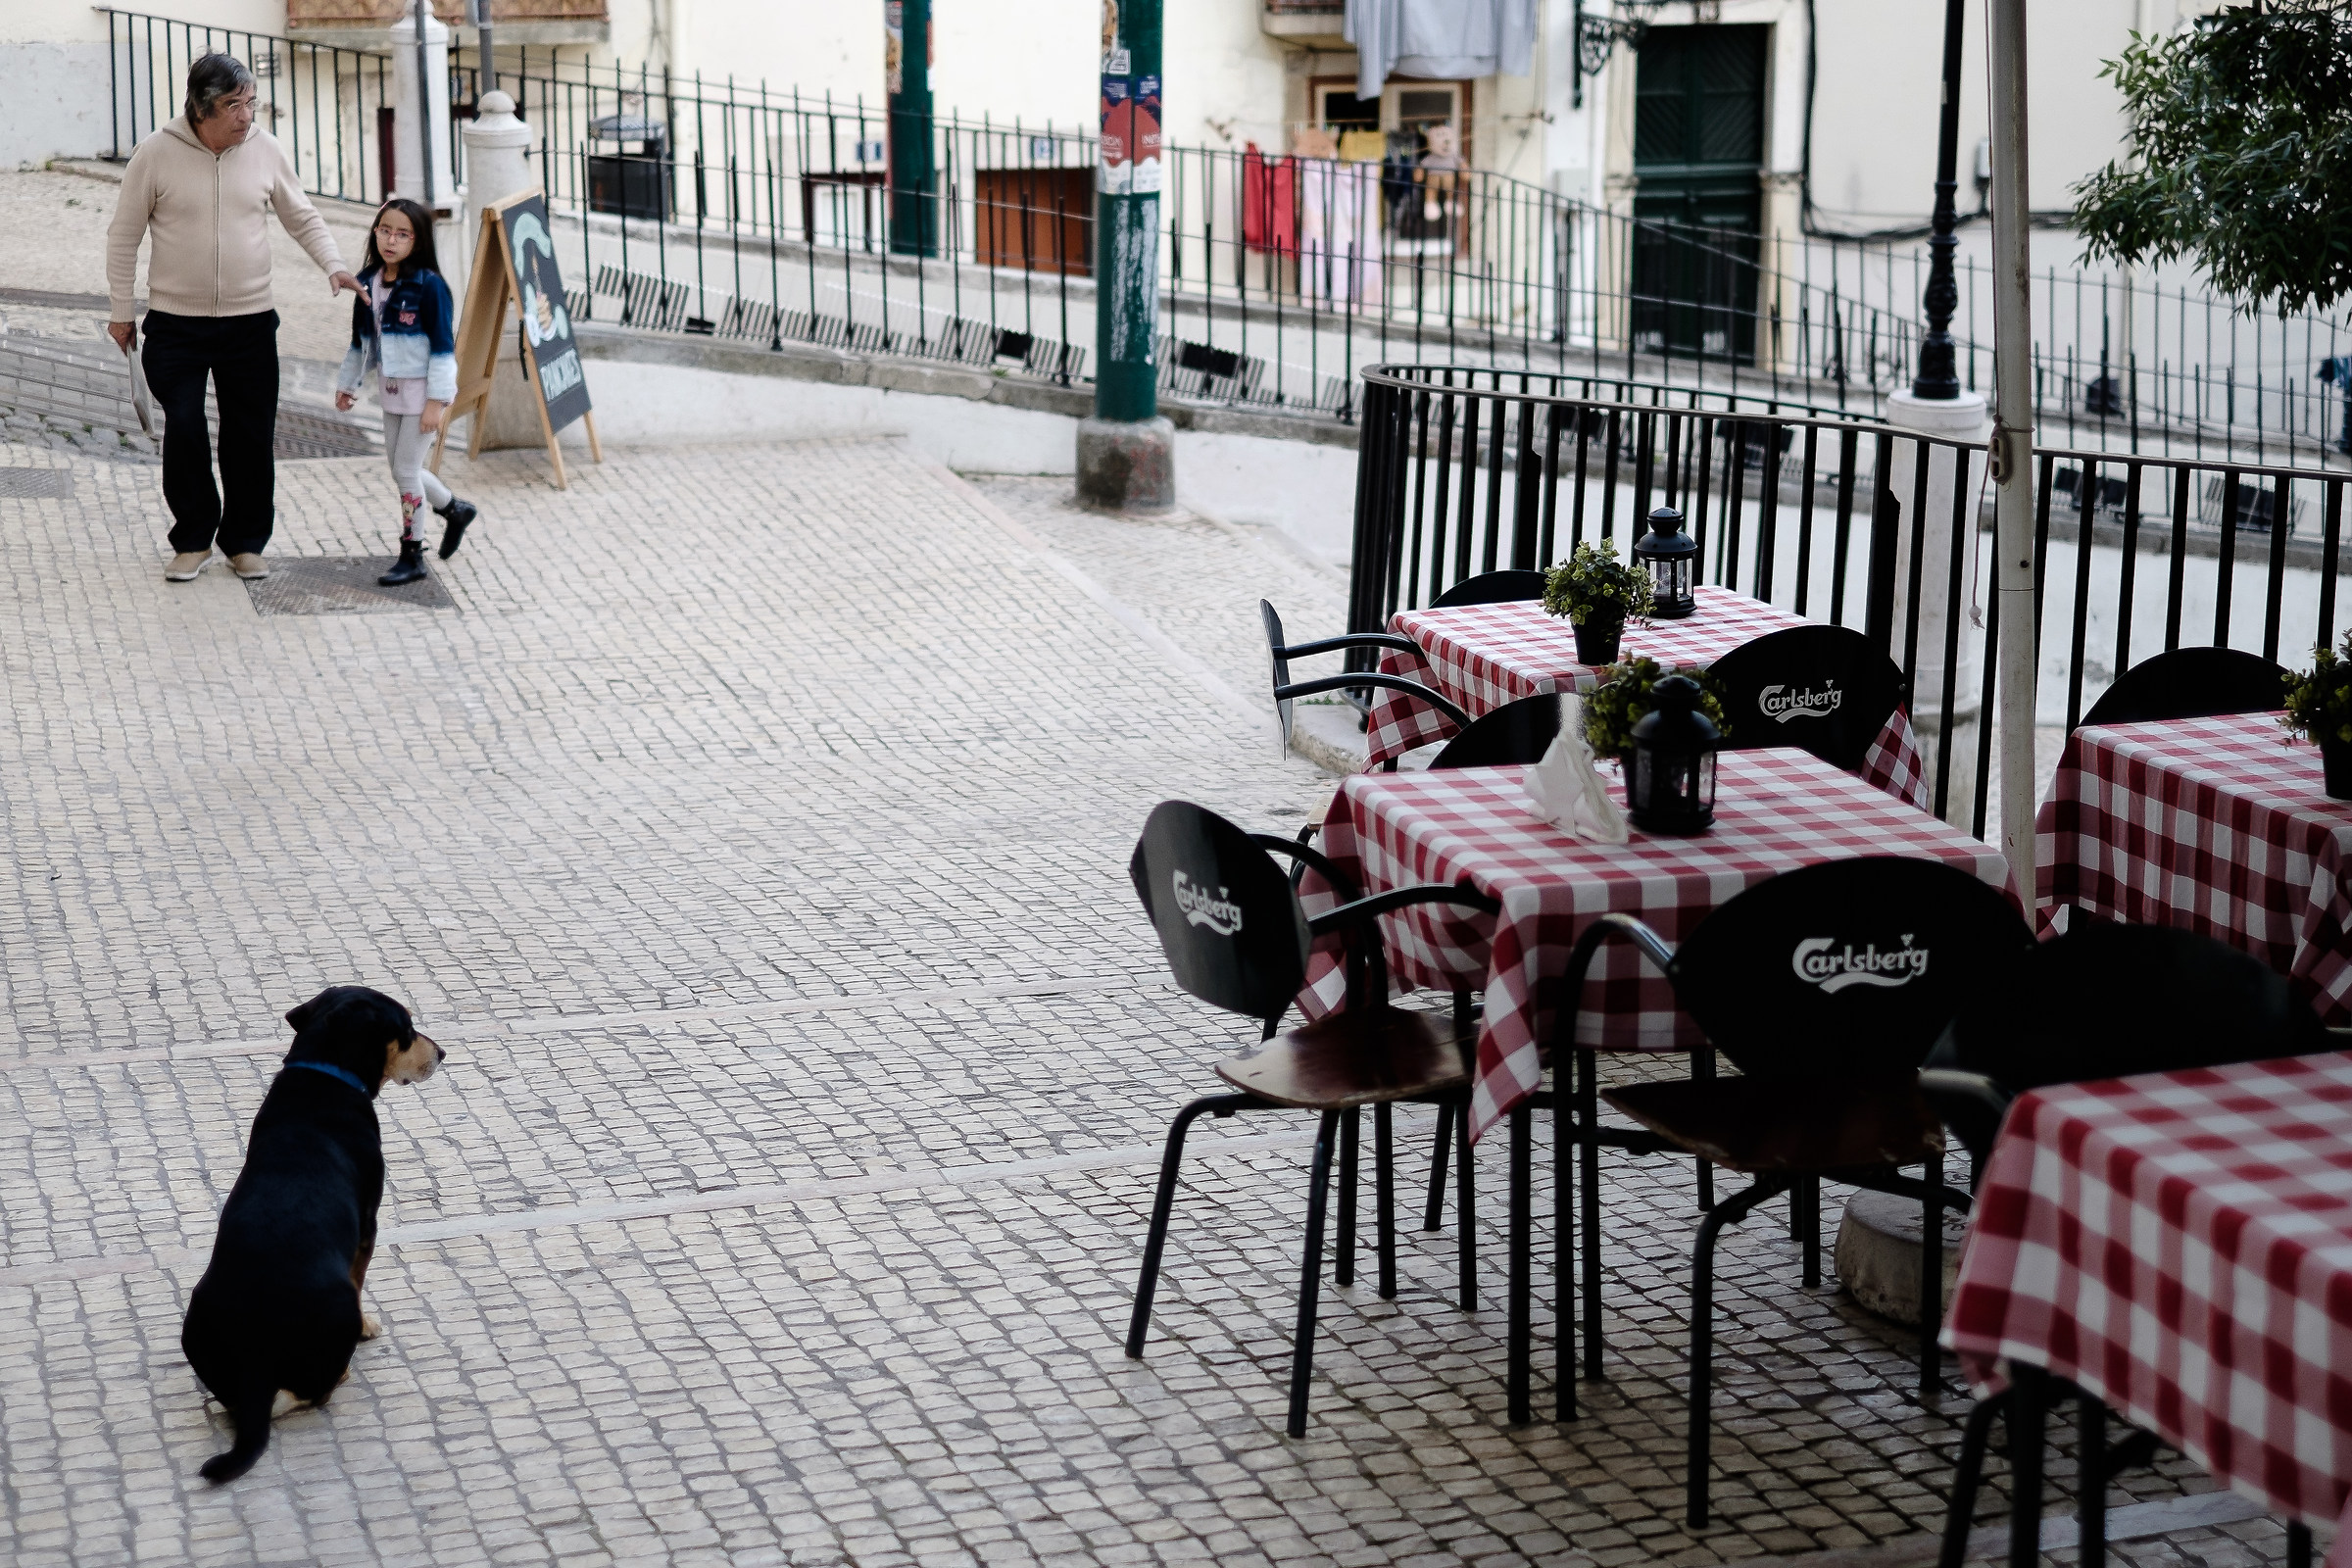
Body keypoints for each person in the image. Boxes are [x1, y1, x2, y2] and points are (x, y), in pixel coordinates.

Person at [107, 54, 361, 583]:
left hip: (250, 321)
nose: (246, 115)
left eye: (251, 103)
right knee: (185, 427)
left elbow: (301, 214)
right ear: (202, 108)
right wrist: (121, 311)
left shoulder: (264, 149)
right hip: (176, 323)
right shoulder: (155, 154)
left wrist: (334, 265)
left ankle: (245, 542)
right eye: (233, 105)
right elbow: (123, 235)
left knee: (249, 434)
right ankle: (194, 538)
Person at [333, 199, 476, 586]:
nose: (390, 240)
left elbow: (445, 349)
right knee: (402, 470)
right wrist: (348, 385)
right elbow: (360, 343)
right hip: (390, 393)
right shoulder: (367, 282)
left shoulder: (430, 287)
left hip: (424, 394)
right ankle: (454, 509)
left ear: (418, 240)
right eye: (384, 230)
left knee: (405, 471)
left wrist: (437, 401)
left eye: (402, 234)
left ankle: (412, 554)